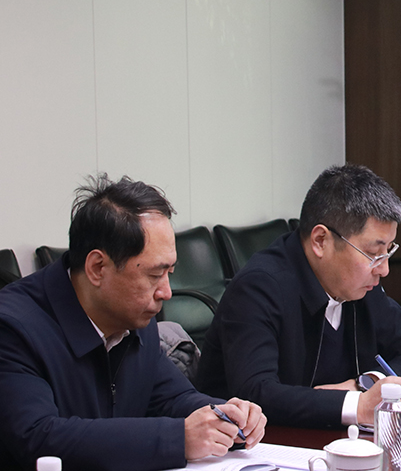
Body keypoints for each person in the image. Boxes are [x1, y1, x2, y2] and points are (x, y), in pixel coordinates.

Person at [0, 175, 266, 471]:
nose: (166, 292)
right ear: (97, 267)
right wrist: (179, 439)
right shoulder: (12, 328)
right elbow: (38, 437)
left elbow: (172, 398)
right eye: (154, 275)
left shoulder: (131, 317)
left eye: (169, 273)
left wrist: (225, 417)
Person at [197, 164, 401, 429]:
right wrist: (358, 405)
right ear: (321, 240)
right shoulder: (258, 288)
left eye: (388, 251)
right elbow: (256, 393)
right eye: (373, 253)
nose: (384, 269)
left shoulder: (360, 286)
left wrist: (365, 383)